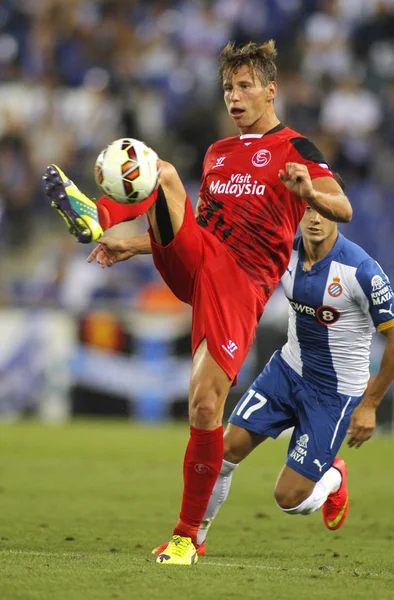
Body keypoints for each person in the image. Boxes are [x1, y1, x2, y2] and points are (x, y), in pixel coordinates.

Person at [44, 40, 352, 565]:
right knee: (161, 171)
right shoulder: (217, 153)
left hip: (241, 284)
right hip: (202, 260)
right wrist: (133, 243)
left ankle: (189, 537)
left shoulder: (297, 149)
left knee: (206, 405)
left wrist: (308, 193)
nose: (234, 96)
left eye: (245, 86)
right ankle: (97, 218)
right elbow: (201, 230)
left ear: (270, 90)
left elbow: (341, 207)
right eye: (228, 87)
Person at [153, 175, 394, 557]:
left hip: (333, 395)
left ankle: (333, 476)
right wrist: (132, 246)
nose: (315, 217)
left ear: (339, 210)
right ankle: (193, 541)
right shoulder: (283, 251)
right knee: (221, 451)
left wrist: (369, 404)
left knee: (289, 498)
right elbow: (204, 247)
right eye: (308, 207)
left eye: (324, 207)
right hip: (286, 370)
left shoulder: (362, 272)